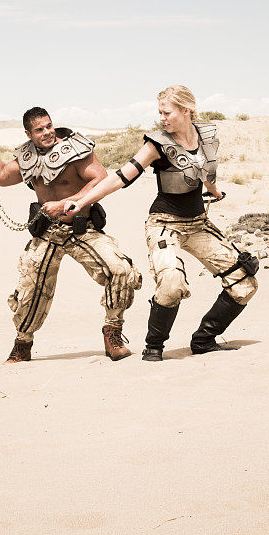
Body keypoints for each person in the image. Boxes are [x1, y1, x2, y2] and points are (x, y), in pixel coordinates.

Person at [64, 85, 258, 361]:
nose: (162, 118)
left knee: (245, 283)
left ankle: (204, 340)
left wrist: (212, 190)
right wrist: (83, 201)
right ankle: (154, 346)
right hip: (164, 224)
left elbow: (203, 167)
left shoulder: (207, 136)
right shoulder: (156, 144)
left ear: (185, 110)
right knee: (172, 282)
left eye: (167, 112)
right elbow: (120, 177)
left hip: (199, 224)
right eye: (160, 113)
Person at [0, 107, 141, 363]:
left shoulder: (76, 149)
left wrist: (67, 203)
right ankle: (22, 344)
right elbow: (1, 176)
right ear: (28, 133)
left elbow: (101, 179)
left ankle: (113, 333)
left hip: (82, 228)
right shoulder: (27, 156)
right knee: (30, 290)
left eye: (49, 126)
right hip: (47, 232)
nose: (47, 132)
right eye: (39, 130)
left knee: (120, 270)